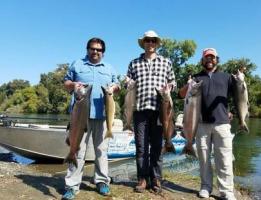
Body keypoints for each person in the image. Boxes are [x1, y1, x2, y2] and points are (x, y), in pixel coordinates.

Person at [62, 37, 119, 200]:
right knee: (78, 151)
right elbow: (66, 82)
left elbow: (118, 86)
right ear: (87, 50)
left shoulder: (109, 68)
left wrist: (115, 87)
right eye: (92, 49)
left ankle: (101, 181)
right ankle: (72, 186)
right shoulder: (77, 64)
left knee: (101, 151)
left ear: (103, 52)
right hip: (80, 117)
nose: (95, 52)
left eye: (99, 50)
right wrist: (73, 86)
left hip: (102, 116)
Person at [179, 48, 236, 200]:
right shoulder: (196, 78)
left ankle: (227, 191)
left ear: (217, 59)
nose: (209, 60)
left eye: (212, 57)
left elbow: (238, 96)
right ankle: (205, 187)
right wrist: (188, 84)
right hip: (201, 125)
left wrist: (234, 112)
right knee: (204, 159)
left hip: (222, 124)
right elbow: (181, 95)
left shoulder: (227, 77)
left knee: (224, 159)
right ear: (202, 60)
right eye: (206, 57)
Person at [126, 30, 176, 193]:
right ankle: (142, 178)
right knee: (141, 147)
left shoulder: (166, 62)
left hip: (160, 111)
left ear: (156, 43)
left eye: (153, 41)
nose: (150, 43)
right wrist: (127, 82)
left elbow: (173, 82)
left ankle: (156, 178)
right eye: (147, 40)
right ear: (144, 43)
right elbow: (128, 83)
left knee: (156, 146)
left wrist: (169, 87)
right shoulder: (134, 63)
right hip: (139, 110)